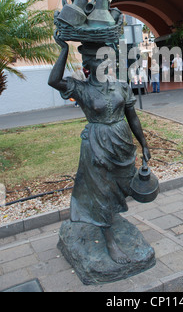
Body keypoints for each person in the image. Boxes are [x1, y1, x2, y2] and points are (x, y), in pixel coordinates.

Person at [48, 32, 151, 265]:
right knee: (102, 190)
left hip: (122, 143)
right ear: (88, 65)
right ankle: (109, 240)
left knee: (122, 186)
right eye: (98, 61)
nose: (104, 64)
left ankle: (107, 218)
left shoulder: (121, 87)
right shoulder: (80, 88)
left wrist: (143, 143)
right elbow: (53, 81)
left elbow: (133, 117)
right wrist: (63, 50)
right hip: (97, 144)